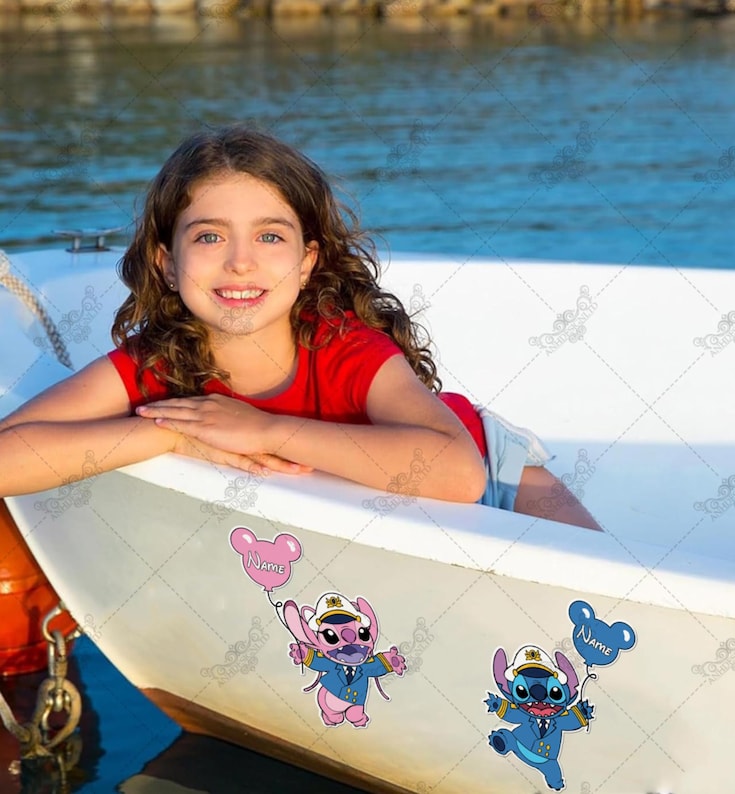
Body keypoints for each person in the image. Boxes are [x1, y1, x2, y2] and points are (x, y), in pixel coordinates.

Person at [0, 125, 598, 530]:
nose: (241, 262)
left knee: (606, 600)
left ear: (307, 261)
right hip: (363, 525)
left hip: (495, 474)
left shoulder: (345, 347)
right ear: (167, 263)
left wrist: (263, 429)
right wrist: (171, 438)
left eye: (269, 236)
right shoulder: (157, 362)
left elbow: (459, 475)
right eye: (209, 237)